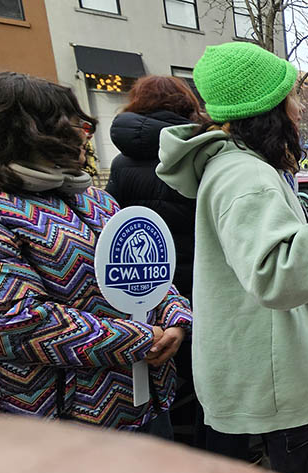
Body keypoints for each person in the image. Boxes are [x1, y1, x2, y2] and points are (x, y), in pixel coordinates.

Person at [156, 42, 308, 473]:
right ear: (264, 108)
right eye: (291, 96)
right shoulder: (247, 177)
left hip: (272, 381)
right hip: (285, 393)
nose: (299, 108)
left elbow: (286, 242)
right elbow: (274, 273)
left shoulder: (241, 168)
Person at [0, 71, 193, 435]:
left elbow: (151, 271)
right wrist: (138, 339)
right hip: (62, 424)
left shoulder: (96, 199)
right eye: (70, 124)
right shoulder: (5, 211)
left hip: (148, 401)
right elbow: (16, 321)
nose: (82, 134)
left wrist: (176, 320)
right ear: (25, 131)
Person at [103, 75, 205, 445]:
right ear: (186, 105)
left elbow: (110, 225)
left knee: (156, 372)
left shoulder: (120, 163)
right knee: (200, 379)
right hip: (196, 284)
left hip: (142, 290)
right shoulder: (195, 156)